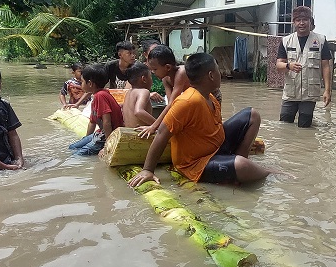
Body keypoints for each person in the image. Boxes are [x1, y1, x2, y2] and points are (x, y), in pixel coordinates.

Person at [128, 53, 270, 187]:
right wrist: (148, 169)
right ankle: (270, 174)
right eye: (218, 70)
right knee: (242, 166)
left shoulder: (210, 96)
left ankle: (238, 160)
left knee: (253, 115)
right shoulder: (187, 102)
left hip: (217, 147)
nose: (220, 74)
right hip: (196, 163)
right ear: (211, 75)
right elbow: (162, 133)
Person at [276, 5, 333, 127]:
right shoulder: (286, 41)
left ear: (310, 21)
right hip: (290, 93)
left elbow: (326, 66)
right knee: (284, 126)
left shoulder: (320, 40)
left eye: (305, 20)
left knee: (305, 127)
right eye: (298, 20)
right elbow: (278, 65)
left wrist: (327, 91)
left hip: (309, 94)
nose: (301, 23)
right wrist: (289, 65)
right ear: (293, 22)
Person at [69, 64, 124, 156]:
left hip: (105, 137)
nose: (81, 84)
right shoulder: (96, 96)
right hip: (99, 134)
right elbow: (92, 122)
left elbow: (107, 123)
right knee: (72, 147)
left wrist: (108, 145)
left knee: (76, 156)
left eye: (82, 82)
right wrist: (86, 139)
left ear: (90, 83)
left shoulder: (100, 96)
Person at [121, 62, 157, 127]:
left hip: (128, 132)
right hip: (139, 134)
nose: (152, 80)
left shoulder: (128, 93)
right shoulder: (144, 91)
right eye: (150, 76)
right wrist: (157, 125)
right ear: (144, 79)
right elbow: (138, 111)